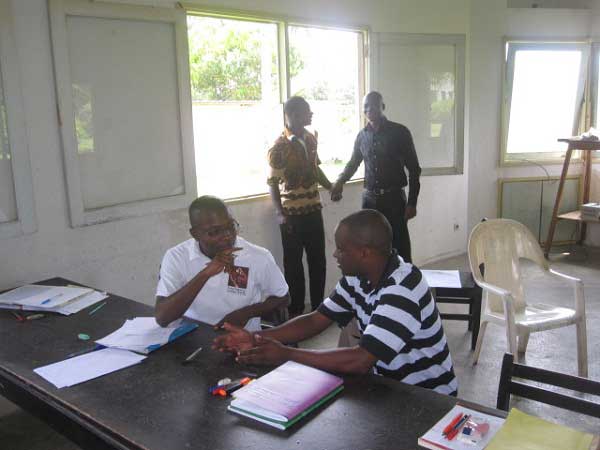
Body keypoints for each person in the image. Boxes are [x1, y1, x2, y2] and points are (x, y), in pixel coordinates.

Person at [213, 210, 458, 396]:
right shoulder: (358, 277)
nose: (335, 254)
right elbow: (316, 319)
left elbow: (360, 360)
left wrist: (286, 354)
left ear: (364, 253)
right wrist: (256, 338)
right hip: (388, 386)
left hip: (426, 398)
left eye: (341, 249)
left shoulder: (403, 289)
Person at [154, 196, 290, 332]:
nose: (227, 235)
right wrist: (205, 274)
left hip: (241, 338)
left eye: (230, 226)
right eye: (214, 232)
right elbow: (163, 318)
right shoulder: (176, 257)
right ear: (195, 234)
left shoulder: (257, 256)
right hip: (193, 336)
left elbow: (284, 298)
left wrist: (246, 313)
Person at [331, 91, 421, 263]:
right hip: (369, 201)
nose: (369, 109)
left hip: (394, 200)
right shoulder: (362, 136)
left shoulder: (400, 132)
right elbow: (353, 163)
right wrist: (340, 181)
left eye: (374, 105)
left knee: (399, 244)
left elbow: (414, 169)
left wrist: (412, 203)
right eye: (365, 106)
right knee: (369, 245)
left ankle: (407, 277)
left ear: (383, 107)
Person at [267, 96, 333, 316]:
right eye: (307, 111)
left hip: (314, 210)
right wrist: (279, 213)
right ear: (294, 115)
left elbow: (315, 169)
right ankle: (296, 310)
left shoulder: (311, 138)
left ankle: (318, 308)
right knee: (293, 265)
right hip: (291, 216)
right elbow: (272, 183)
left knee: (318, 261)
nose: (311, 114)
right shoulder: (279, 147)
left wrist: (330, 186)